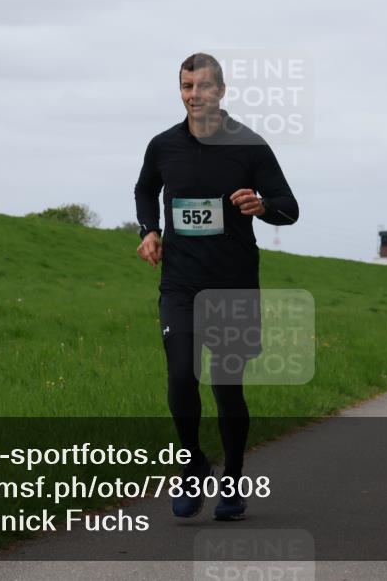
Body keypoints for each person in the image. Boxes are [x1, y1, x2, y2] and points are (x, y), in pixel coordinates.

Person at [134, 52, 299, 521]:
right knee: (182, 375)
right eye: (186, 87)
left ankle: (233, 480)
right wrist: (149, 229)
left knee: (227, 387)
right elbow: (145, 189)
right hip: (180, 285)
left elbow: (290, 207)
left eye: (203, 86)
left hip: (233, 285)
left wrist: (261, 204)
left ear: (221, 91)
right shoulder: (163, 146)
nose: (194, 95)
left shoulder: (249, 147)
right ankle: (192, 466)